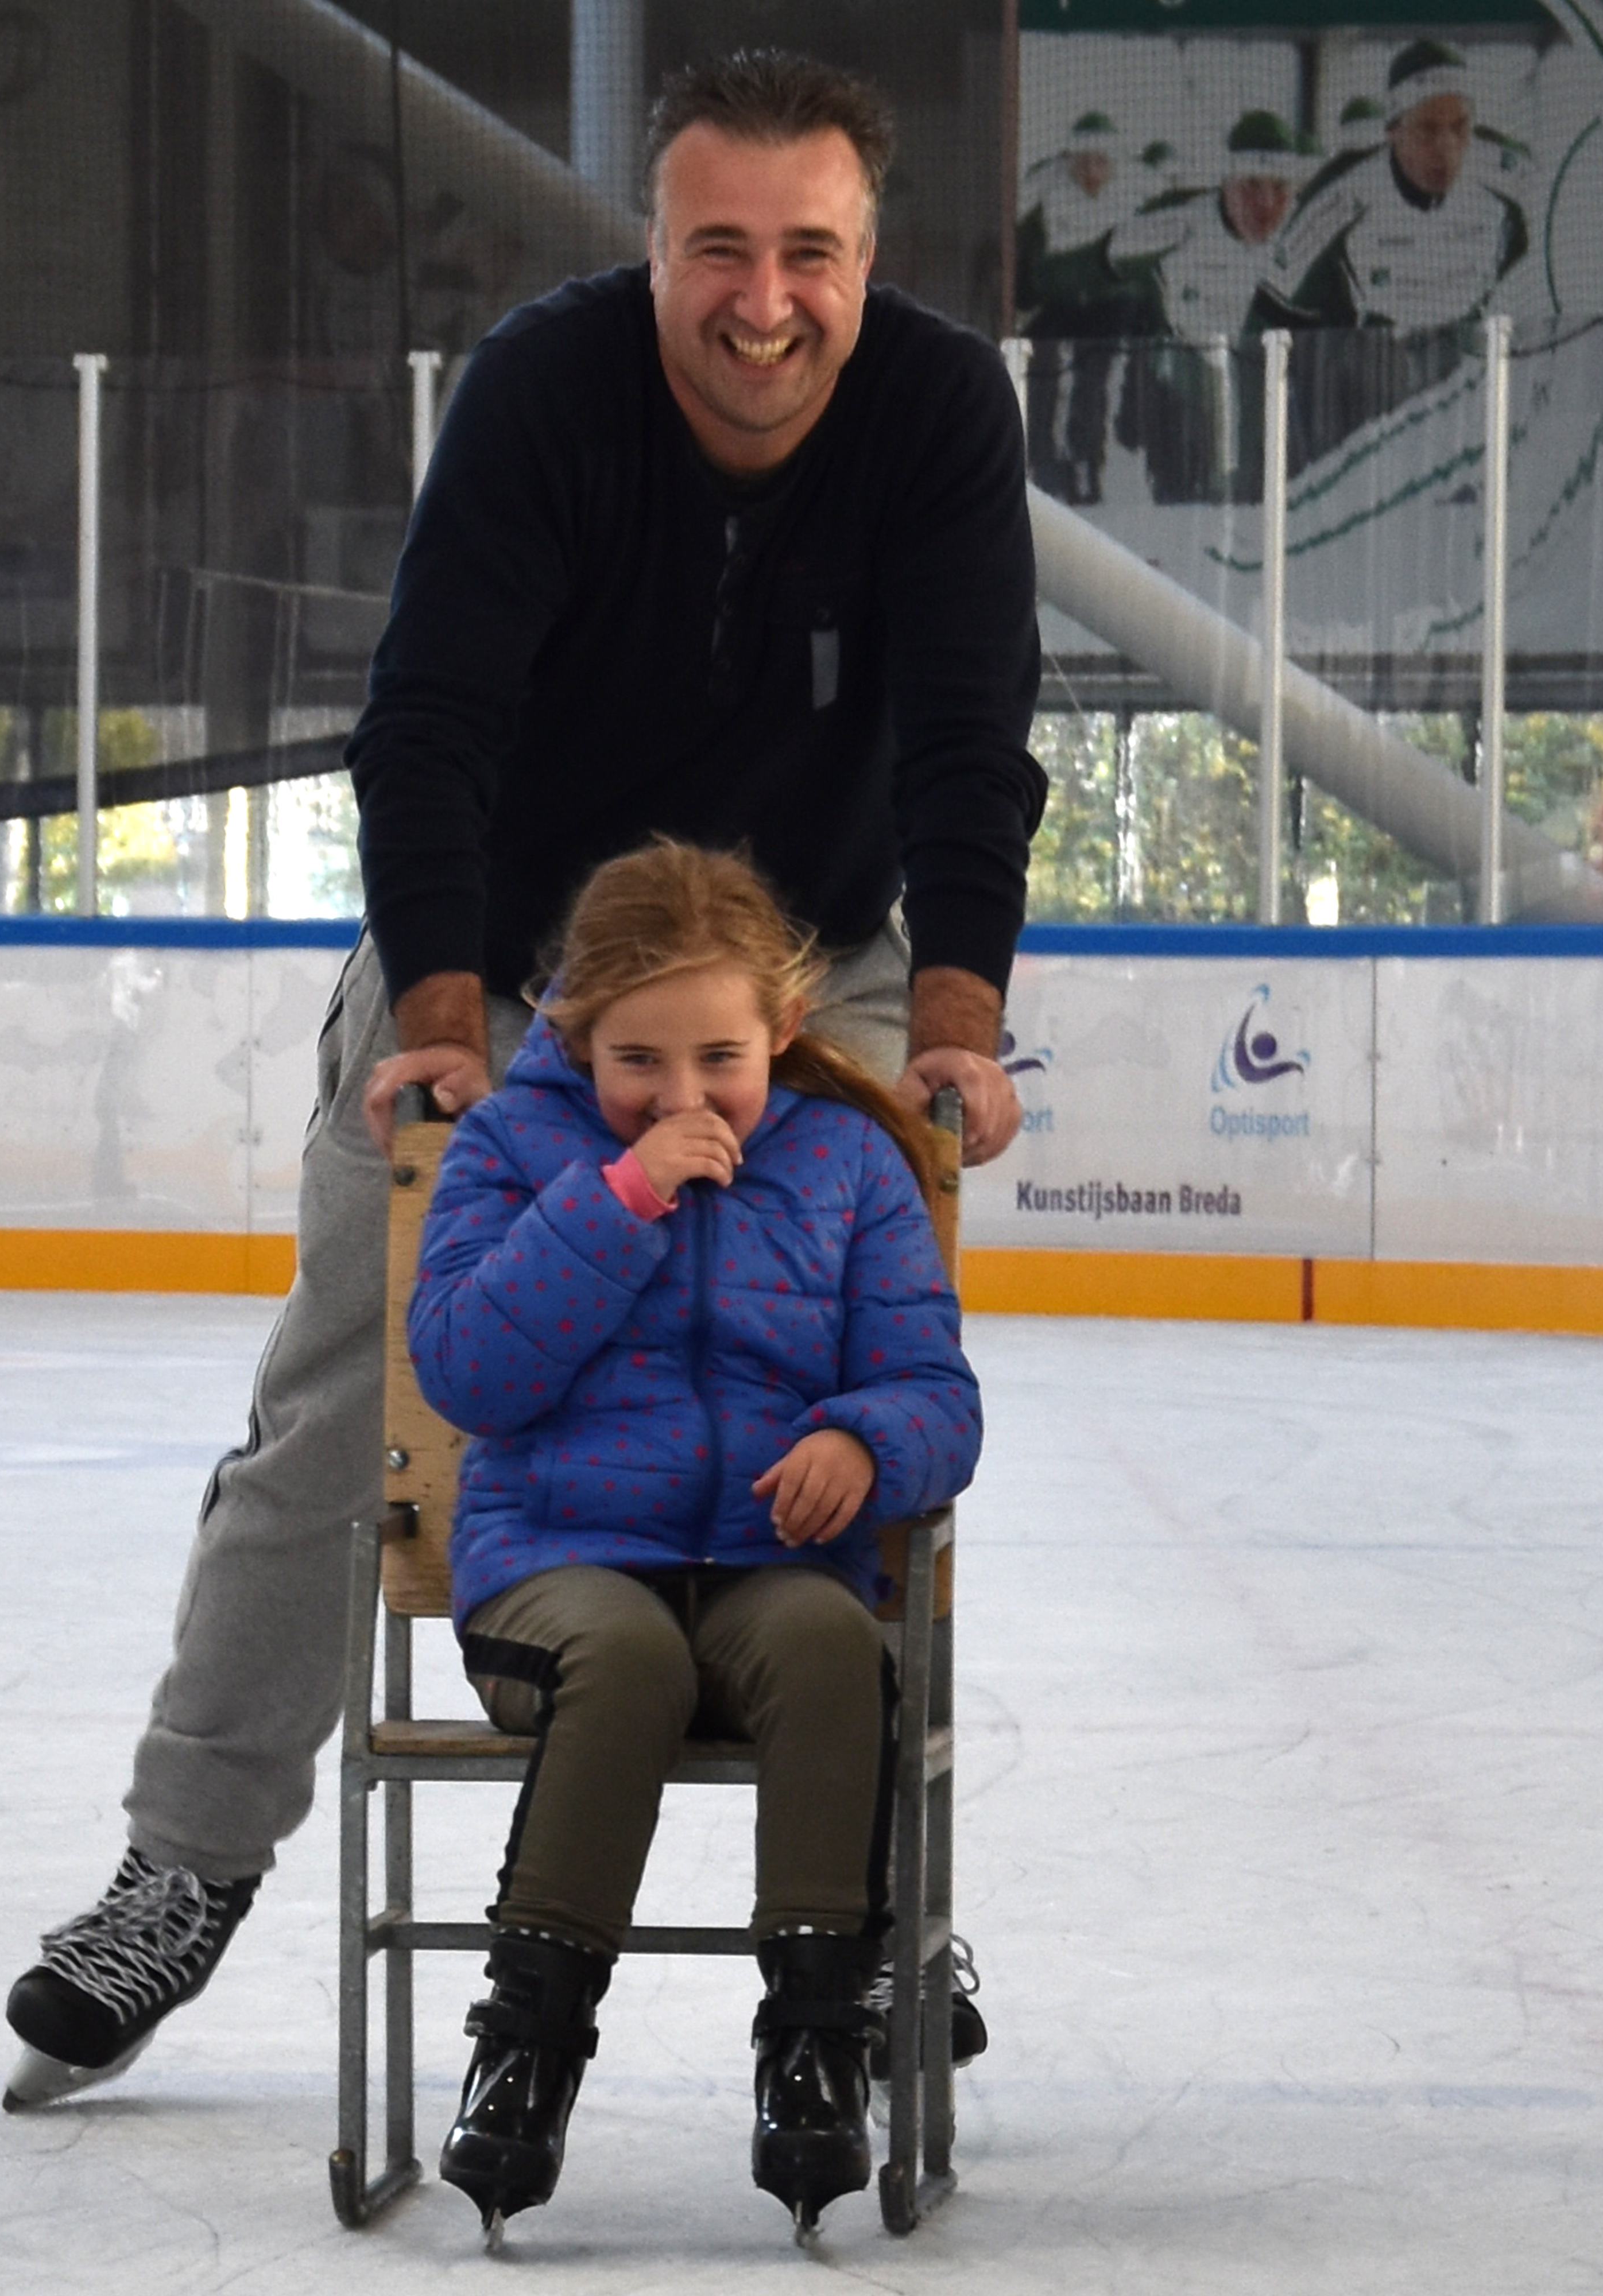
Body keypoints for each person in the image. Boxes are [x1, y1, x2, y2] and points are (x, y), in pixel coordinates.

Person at [1, 48, 1044, 2113]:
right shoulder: (546, 390)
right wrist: (445, 1022)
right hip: (517, 948)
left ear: (866, 254)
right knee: (342, 1407)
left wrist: (950, 1010)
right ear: (654, 247)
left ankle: (882, 1899)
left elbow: (967, 727)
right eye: (716, 249)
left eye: (808, 252)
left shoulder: (932, 409)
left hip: (797, 960)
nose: (763, 301)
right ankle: (182, 1862)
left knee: (837, 1403)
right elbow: (432, 718)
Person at [408, 839, 982, 2240]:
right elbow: (469, 1371)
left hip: (767, 1573)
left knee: (826, 1642)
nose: (681, 1097)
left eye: (719, 1057)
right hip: (560, 1572)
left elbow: (935, 1393)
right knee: (626, 1659)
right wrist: (618, 1200)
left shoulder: (848, 1162)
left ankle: (815, 2040)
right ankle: (527, 2049)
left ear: (783, 1030)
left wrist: (863, 1440)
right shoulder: (510, 1147)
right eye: (636, 1065)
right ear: (569, 1037)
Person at [1257, 42, 1532, 463]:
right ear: (1393, 130)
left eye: (1460, 128)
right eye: (1426, 130)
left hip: (1471, 366)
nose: (1446, 149)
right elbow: (1275, 301)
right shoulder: (1342, 196)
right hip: (1378, 375)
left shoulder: (1507, 179)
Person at [1112, 110, 1315, 502]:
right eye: (1251, 185)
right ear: (1226, 183)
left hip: (1265, 373)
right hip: (1189, 369)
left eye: (1280, 187)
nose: (1266, 202)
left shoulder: (1309, 234)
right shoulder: (1177, 225)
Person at [1015, 109, 1152, 503]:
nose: (1091, 170)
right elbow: (1022, 236)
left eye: (1101, 161)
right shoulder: (1047, 187)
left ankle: (1087, 463)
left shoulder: (1134, 192)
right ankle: (1040, 461)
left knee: (1094, 382)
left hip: (1111, 306)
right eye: (1083, 160)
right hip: (1062, 305)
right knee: (1040, 366)